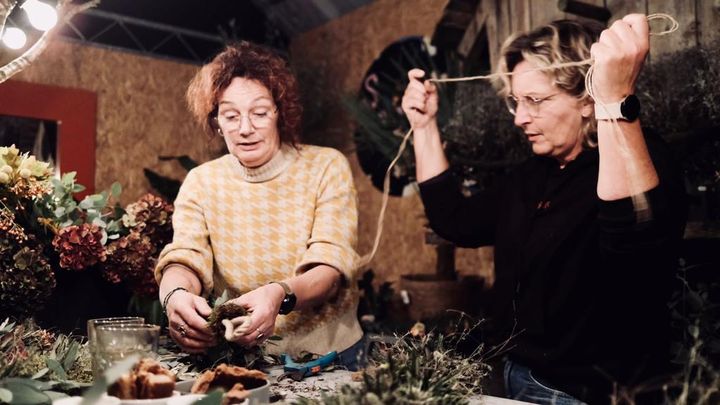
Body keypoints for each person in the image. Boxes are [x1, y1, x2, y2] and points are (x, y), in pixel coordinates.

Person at [401, 15, 686, 404]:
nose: (520, 118)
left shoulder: (641, 158)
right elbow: (455, 220)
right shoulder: (533, 174)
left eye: (535, 101)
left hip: (588, 394)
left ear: (587, 99)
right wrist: (423, 128)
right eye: (516, 101)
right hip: (514, 376)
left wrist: (616, 99)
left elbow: (637, 256)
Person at [155, 41, 365, 369]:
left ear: (280, 112)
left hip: (330, 356)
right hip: (245, 359)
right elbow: (186, 257)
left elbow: (329, 270)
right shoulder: (201, 182)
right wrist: (175, 296)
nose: (245, 129)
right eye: (231, 116)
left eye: (260, 113)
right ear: (216, 121)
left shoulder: (325, 167)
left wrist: (279, 294)